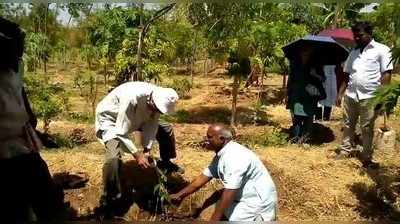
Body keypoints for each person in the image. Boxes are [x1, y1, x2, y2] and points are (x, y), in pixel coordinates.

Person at [0, 17, 64, 223]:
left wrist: (33, 126)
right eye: (16, 46)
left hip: (20, 142)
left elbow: (19, 90)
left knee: (45, 193)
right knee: (15, 204)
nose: (20, 54)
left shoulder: (16, 64)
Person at [94, 81, 180, 218]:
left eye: (159, 110)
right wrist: (137, 155)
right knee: (113, 159)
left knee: (166, 129)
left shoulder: (159, 98)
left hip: (136, 118)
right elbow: (120, 131)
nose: (156, 112)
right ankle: (109, 199)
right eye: (155, 109)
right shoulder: (131, 98)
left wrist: (147, 149)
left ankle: (166, 162)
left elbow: (152, 125)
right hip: (112, 119)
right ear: (151, 100)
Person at [170, 124, 277, 221]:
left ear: (221, 139)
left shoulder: (235, 157)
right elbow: (203, 178)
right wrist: (180, 195)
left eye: (209, 137)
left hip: (255, 202)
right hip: (242, 197)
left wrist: (214, 220)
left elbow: (230, 191)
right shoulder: (222, 154)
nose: (206, 140)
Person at [335, 21, 393, 169]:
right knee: (348, 125)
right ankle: (345, 151)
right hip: (351, 95)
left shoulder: (382, 50)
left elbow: (386, 74)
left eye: (360, 35)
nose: (357, 39)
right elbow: (346, 75)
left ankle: (366, 158)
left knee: (366, 128)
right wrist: (340, 94)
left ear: (369, 34)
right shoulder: (353, 53)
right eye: (355, 36)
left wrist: (382, 98)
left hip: (369, 97)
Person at [286, 46, 326, 143]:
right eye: (303, 51)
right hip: (297, 93)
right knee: (297, 117)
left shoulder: (316, 64)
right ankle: (296, 137)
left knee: (308, 117)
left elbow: (323, 79)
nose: (305, 53)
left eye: (307, 51)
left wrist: (315, 74)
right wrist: (288, 92)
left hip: (310, 95)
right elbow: (291, 78)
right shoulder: (294, 63)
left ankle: (306, 139)